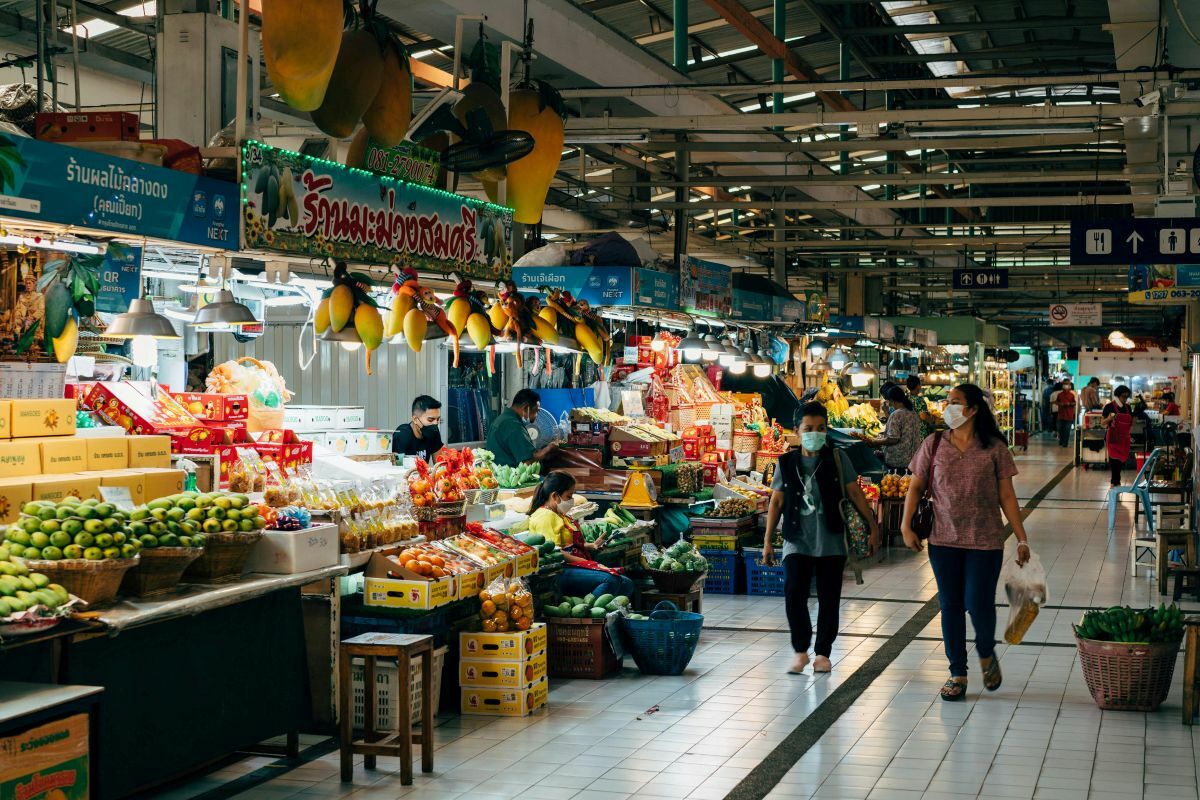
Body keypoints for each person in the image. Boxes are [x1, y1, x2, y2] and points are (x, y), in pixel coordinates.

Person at [900, 383, 1031, 702]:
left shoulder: (995, 448)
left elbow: (1007, 495)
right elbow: (915, 487)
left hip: (985, 540)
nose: (948, 407)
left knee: (978, 602)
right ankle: (957, 672)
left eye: (955, 402)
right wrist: (906, 525)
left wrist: (1022, 537)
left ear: (972, 410)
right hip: (943, 540)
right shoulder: (933, 443)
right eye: (947, 402)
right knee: (951, 606)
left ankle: (986, 651)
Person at [763, 402, 880, 675]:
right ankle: (801, 650)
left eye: (820, 428)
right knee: (794, 594)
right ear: (797, 431)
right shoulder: (787, 462)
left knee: (829, 598)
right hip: (796, 539)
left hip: (831, 540)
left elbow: (855, 494)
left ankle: (823, 653)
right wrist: (768, 540)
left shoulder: (837, 460)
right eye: (808, 428)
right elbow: (776, 501)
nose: (815, 433)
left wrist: (873, 526)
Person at [526, 471, 634, 599]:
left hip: (573, 566)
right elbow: (555, 554)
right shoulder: (545, 516)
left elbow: (568, 545)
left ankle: (608, 613)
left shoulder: (560, 514)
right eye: (569, 496)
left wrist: (590, 546)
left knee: (627, 583)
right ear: (555, 496)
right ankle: (584, 612)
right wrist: (586, 562)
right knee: (610, 580)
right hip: (559, 571)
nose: (571, 501)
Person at [485, 388, 558, 467]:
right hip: (511, 476)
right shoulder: (513, 425)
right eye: (536, 411)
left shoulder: (501, 419)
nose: (536, 416)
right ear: (526, 408)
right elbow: (527, 462)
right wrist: (549, 448)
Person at [863, 385, 922, 470]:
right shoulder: (913, 413)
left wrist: (876, 442)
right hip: (913, 461)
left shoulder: (896, 414)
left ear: (892, 400)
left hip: (898, 461)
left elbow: (893, 439)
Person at [391, 395, 444, 462]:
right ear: (415, 419)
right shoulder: (402, 435)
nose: (435, 423)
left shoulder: (433, 431)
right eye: (430, 420)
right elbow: (396, 466)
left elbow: (439, 465)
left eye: (438, 419)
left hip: (423, 472)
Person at [1102, 385, 1134, 488]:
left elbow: (1131, 422)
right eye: (1123, 396)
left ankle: (1116, 481)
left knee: (1121, 460)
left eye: (1127, 397)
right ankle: (1114, 482)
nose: (1125, 399)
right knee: (1114, 460)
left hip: (1124, 438)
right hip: (1113, 437)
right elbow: (1102, 422)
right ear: (1118, 395)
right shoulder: (1109, 407)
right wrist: (1110, 418)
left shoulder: (1128, 407)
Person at [1053, 380, 1077, 448]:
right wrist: (1060, 404)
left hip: (1069, 415)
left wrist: (1069, 404)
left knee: (1067, 430)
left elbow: (1075, 403)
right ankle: (1061, 440)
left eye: (1067, 384)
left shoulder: (1072, 394)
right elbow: (1056, 402)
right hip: (1060, 415)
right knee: (1060, 429)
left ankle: (1065, 443)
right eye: (1064, 384)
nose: (1066, 385)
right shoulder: (1059, 394)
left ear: (1070, 385)